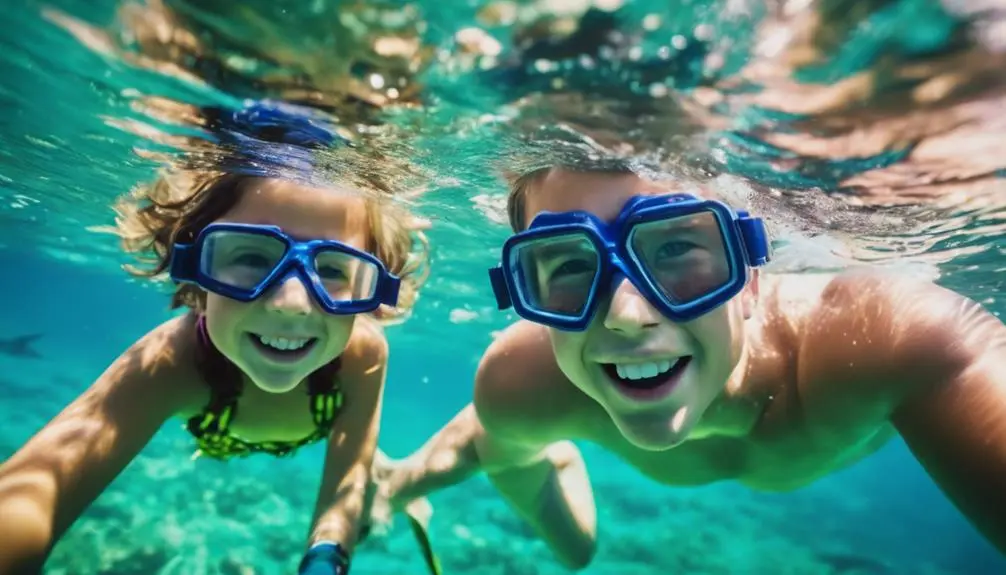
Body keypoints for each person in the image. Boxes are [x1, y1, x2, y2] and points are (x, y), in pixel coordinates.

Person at [373, 161, 1006, 569]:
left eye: (677, 247)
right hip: (542, 410)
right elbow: (508, 457)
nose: (626, 314)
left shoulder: (891, 338)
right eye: (568, 264)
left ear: (751, 279)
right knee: (571, 549)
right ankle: (392, 485)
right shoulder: (521, 378)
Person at [0, 100, 436, 575]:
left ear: (370, 291)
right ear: (193, 270)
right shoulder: (172, 361)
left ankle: (391, 483)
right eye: (249, 258)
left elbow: (345, 474)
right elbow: (41, 483)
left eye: (332, 269)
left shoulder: (363, 353)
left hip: (329, 442)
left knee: (367, 493)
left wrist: (326, 556)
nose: (292, 303)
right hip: (251, 428)